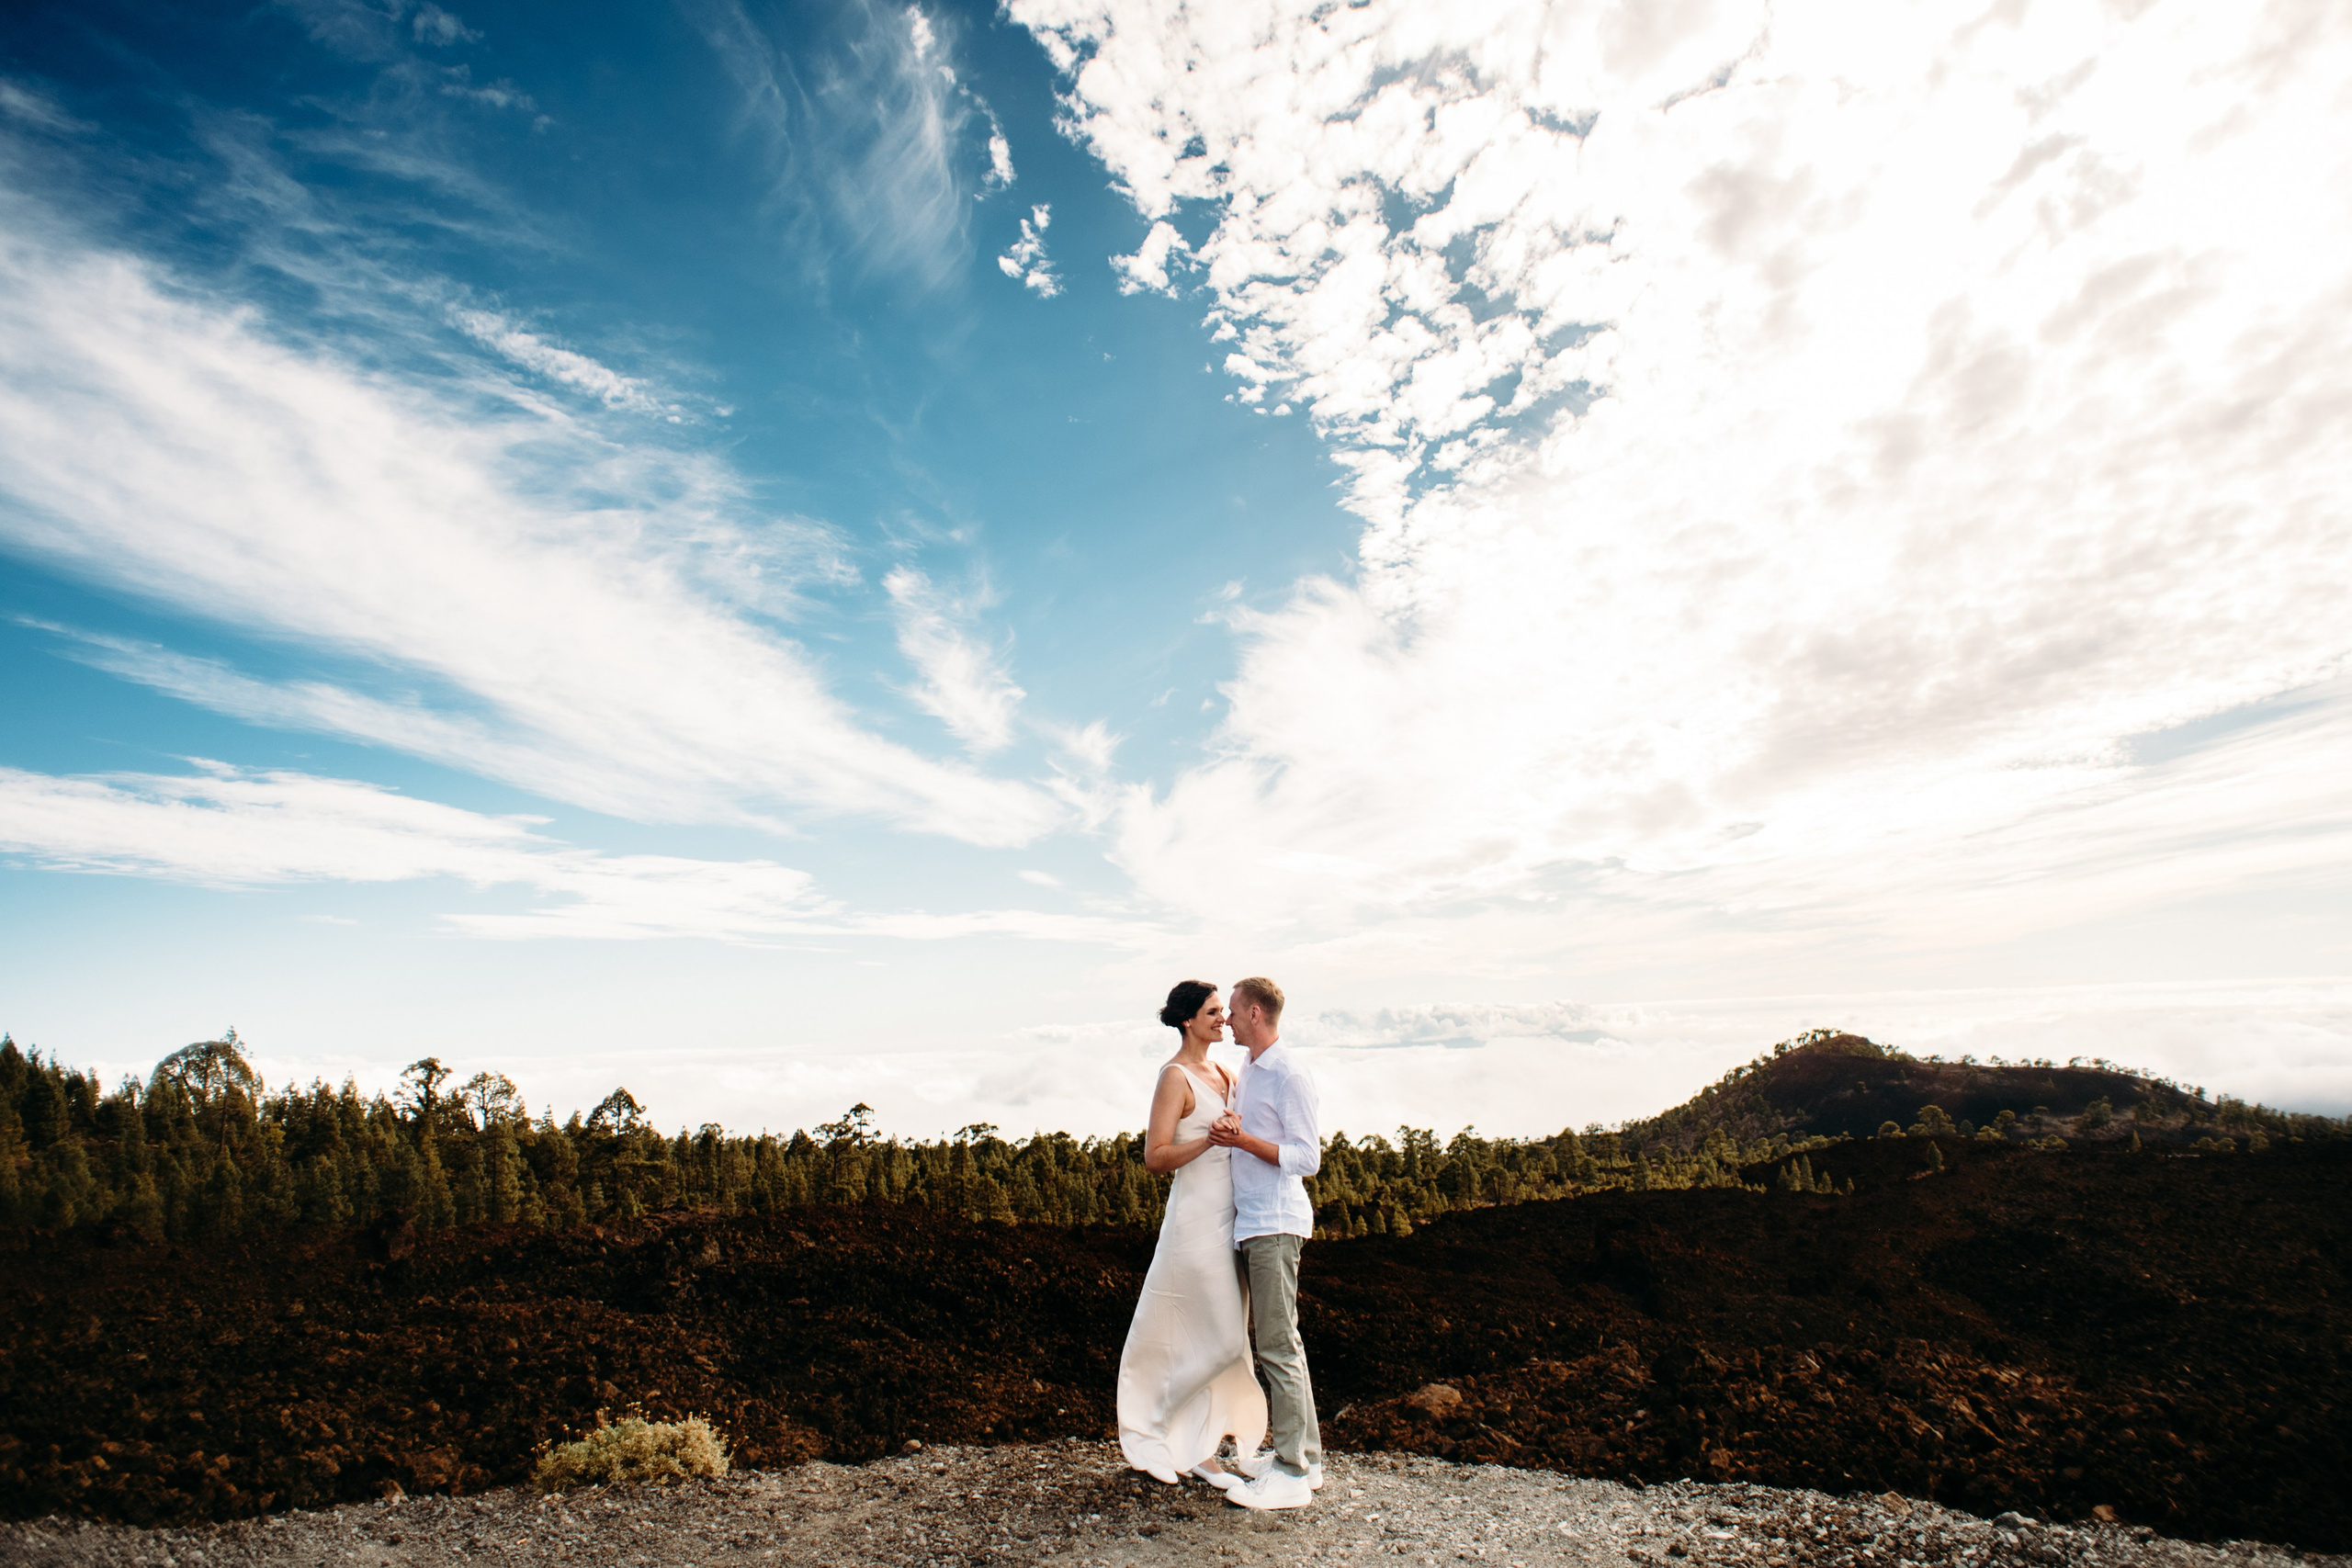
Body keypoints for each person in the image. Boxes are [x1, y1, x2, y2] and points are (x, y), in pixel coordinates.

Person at [1114, 981, 1269, 1489]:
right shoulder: (1174, 1077)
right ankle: (1160, 1433)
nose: (1223, 1019)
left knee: (1219, 1337)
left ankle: (1201, 1449)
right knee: (1220, 1339)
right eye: (1213, 1012)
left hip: (1234, 1220)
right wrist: (1208, 1140)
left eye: (1224, 1011)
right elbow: (1155, 1157)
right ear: (1188, 1020)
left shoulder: (1225, 1072)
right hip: (1195, 1221)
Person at [1209, 975, 1324, 1510]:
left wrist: (1245, 1140)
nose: (1227, 1020)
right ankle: (1307, 1460)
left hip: (1275, 1223)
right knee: (1283, 1344)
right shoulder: (1252, 1069)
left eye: (1233, 1011)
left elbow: (1307, 1157)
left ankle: (1291, 1474)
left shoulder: (1288, 1073)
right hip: (1253, 1221)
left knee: (1278, 1346)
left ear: (1255, 1013)